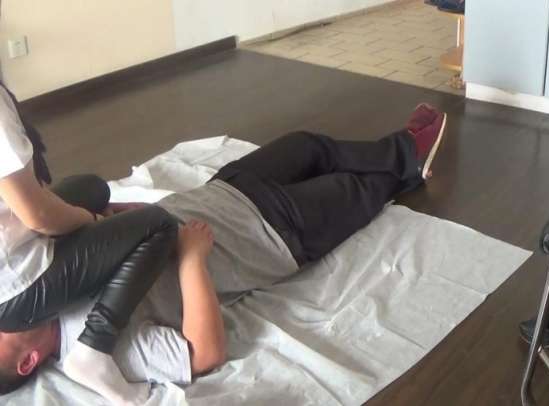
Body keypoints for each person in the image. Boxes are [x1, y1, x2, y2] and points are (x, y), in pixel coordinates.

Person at [0, 103, 448, 402]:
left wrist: (110, 212)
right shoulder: (100, 350)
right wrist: (192, 260)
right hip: (270, 234)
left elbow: (66, 215)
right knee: (359, 187)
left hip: (222, 193)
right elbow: (206, 353)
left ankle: (404, 155)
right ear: (27, 361)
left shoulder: (46, 284)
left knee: (309, 146)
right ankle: (408, 151)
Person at [0, 80, 179, 405]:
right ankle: (94, 348)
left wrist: (92, 220)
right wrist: (95, 221)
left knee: (93, 187)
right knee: (159, 223)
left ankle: (83, 223)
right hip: (14, 290)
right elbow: (38, 214)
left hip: (12, 237)